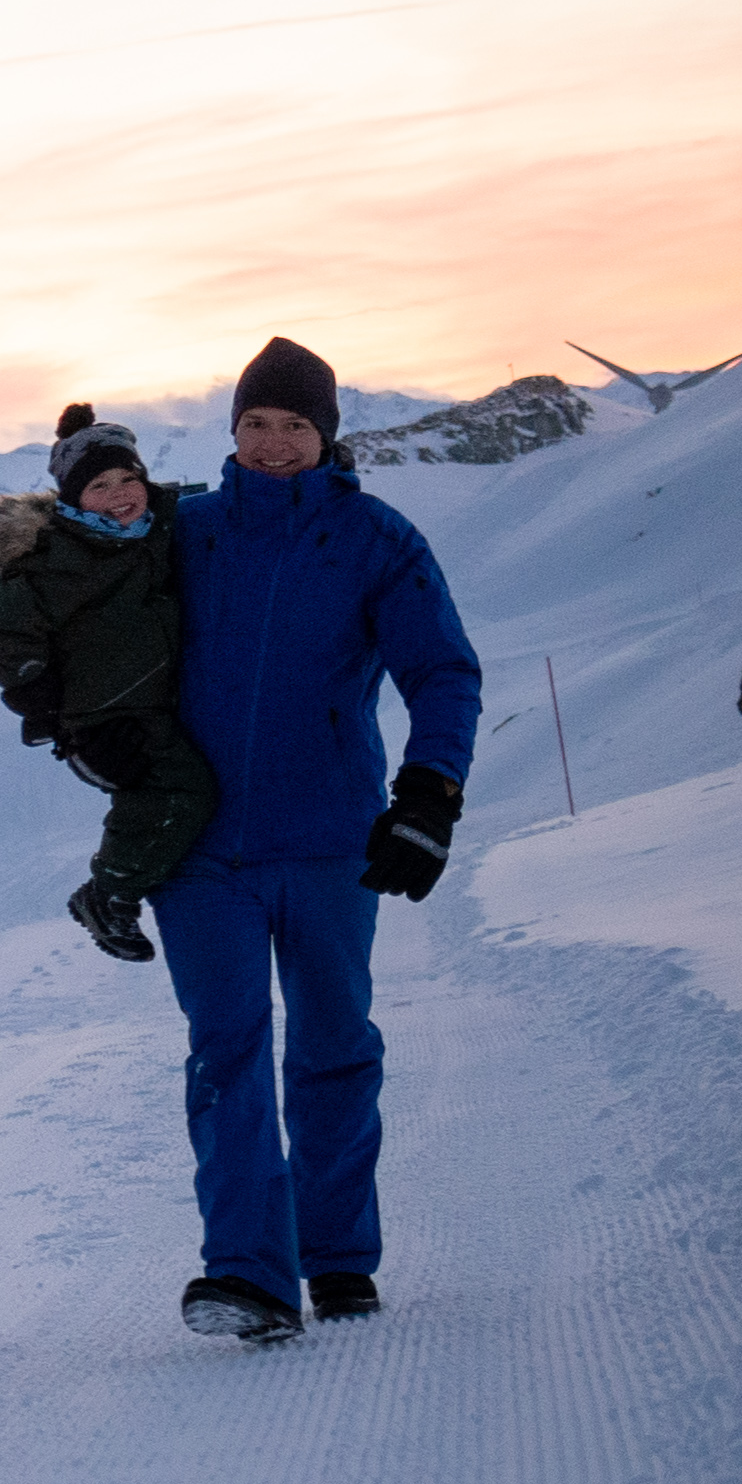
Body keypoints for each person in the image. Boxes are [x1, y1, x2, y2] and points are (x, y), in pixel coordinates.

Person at [156, 337, 483, 1346]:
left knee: (334, 1046)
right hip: (198, 851)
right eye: (255, 423)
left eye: (294, 425)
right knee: (227, 1049)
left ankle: (338, 1254)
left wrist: (426, 794)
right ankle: (248, 1273)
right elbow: (94, 636)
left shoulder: (376, 538)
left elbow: (442, 672)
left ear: (325, 435)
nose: (272, 442)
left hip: (329, 838)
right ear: (233, 430)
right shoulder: (186, 534)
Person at [0, 405, 220, 961]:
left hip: (157, 699)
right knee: (180, 791)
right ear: (71, 499)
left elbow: (237, 515)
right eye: (100, 486)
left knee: (178, 788)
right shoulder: (53, 558)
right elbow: (8, 632)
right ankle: (108, 896)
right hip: (102, 714)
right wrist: (46, 710)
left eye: (129, 478)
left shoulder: (159, 529)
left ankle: (117, 890)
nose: (120, 495)